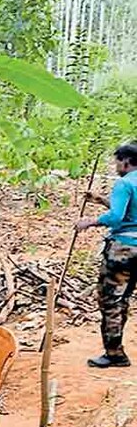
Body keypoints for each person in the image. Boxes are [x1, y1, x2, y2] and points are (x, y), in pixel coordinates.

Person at [76, 141, 137, 368]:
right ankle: (116, 346)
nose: (116, 166)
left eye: (117, 161)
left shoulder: (124, 183)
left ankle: (114, 353)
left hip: (123, 248)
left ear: (125, 161)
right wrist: (101, 200)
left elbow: (117, 217)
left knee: (111, 299)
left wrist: (89, 222)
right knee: (125, 296)